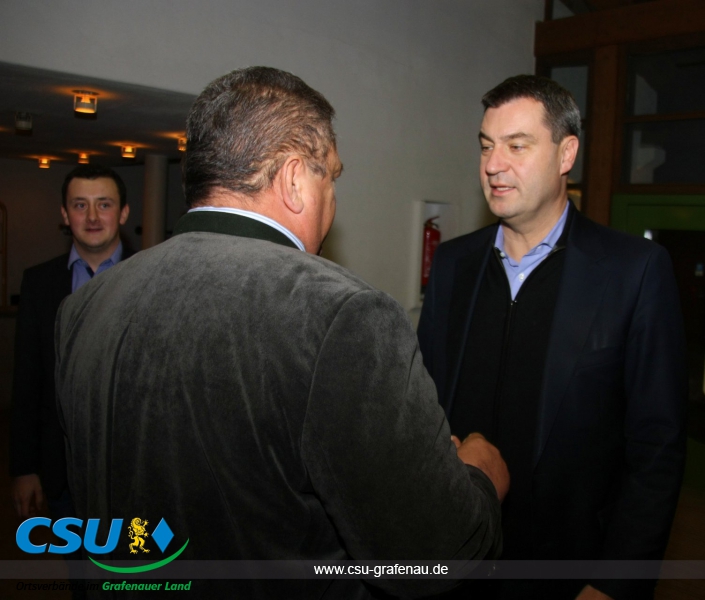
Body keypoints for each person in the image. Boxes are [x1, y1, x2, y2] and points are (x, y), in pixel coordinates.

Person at [55, 67, 508, 599]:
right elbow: (429, 555)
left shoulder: (84, 307)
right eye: (331, 177)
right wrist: (479, 477)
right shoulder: (341, 313)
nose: (333, 200)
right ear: (295, 180)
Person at [417, 74, 687, 600]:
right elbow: (425, 405)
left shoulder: (633, 271)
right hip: (456, 556)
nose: (493, 164)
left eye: (517, 146)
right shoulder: (453, 264)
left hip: (569, 570)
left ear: (567, 154)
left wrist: (614, 582)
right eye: (487, 146)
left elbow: (657, 446)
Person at [10, 165, 131, 521]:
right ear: (65, 215)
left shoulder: (154, 278)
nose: (92, 217)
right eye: (80, 205)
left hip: (133, 470)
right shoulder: (38, 284)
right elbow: (27, 380)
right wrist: (24, 467)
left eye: (104, 204)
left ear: (123, 213)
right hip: (61, 473)